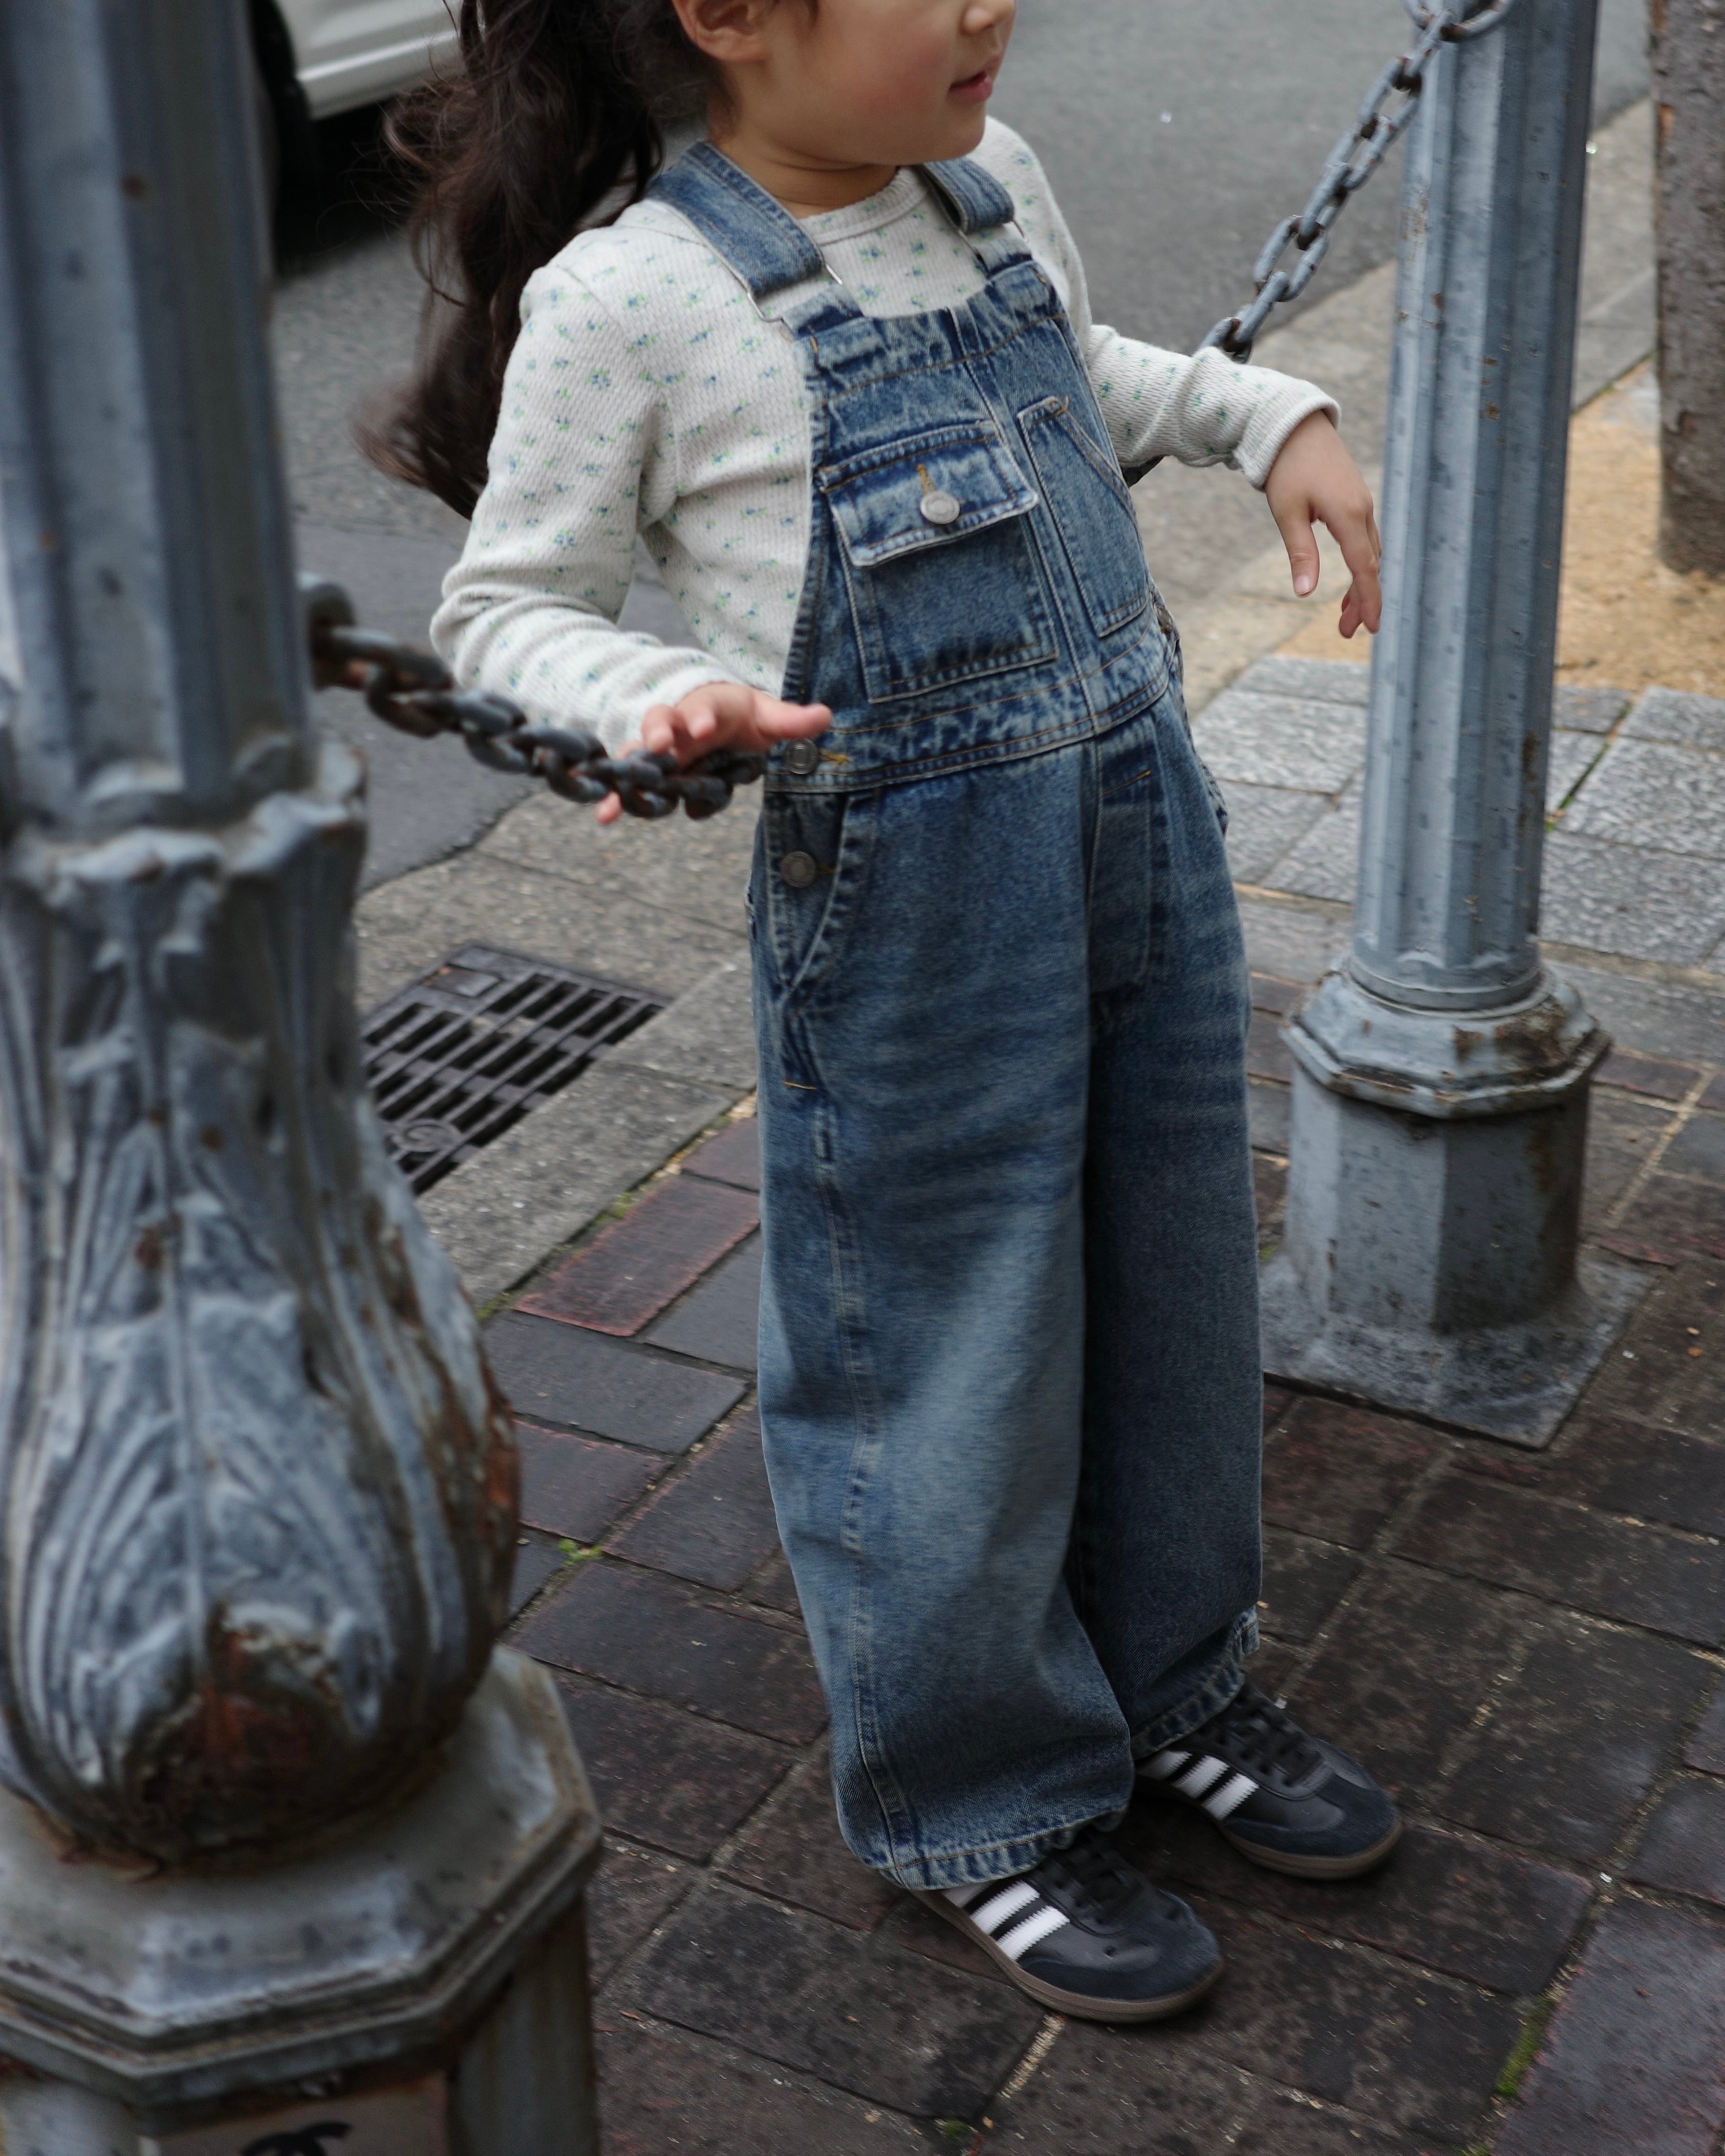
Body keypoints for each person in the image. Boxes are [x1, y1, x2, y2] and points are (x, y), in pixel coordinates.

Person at [377, 0, 1400, 2023]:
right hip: (913, 918)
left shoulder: (987, 184)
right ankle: (981, 1790)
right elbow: (503, 608)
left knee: (1172, 1278)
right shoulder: (635, 297)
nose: (989, 4)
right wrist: (648, 694)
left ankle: (1173, 1676)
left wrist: (1254, 410)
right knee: (943, 1351)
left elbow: (1078, 378)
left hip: (1136, 848)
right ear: (732, 17)